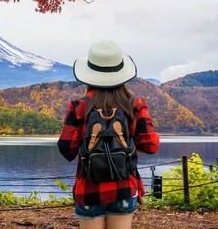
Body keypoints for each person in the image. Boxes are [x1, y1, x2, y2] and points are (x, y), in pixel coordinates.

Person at [58, 40, 159, 229]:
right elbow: (151, 146)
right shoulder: (135, 104)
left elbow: (66, 149)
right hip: (124, 187)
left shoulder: (79, 106)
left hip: (88, 188)